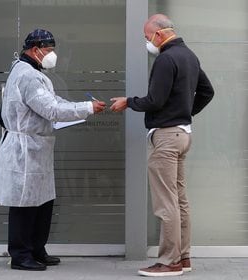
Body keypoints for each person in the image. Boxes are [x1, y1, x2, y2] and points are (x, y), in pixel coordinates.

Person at [0, 29, 106, 271]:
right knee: (24, 204)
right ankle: (20, 255)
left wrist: (84, 107)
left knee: (42, 201)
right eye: (48, 50)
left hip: (37, 147)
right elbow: (51, 109)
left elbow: (54, 101)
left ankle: (37, 249)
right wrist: (87, 108)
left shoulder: (32, 72)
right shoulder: (28, 75)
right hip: (25, 150)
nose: (52, 55)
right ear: (34, 49)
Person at [111, 14, 214, 277]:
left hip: (167, 137)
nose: (147, 42)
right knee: (179, 201)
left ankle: (169, 262)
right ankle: (184, 257)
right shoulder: (189, 55)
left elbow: (155, 100)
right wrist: (184, 113)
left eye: (147, 37)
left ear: (159, 34)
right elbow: (207, 91)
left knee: (165, 202)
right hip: (182, 134)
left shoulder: (166, 58)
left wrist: (128, 102)